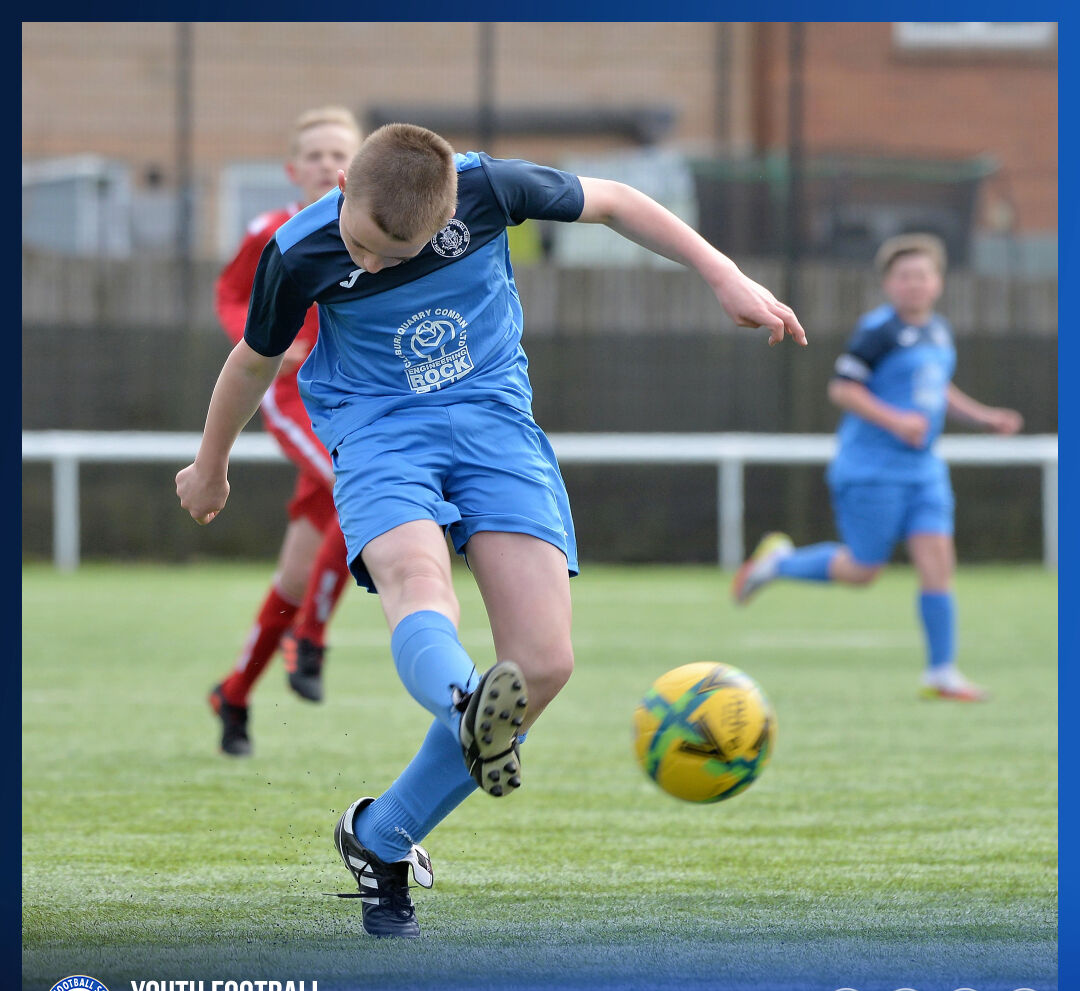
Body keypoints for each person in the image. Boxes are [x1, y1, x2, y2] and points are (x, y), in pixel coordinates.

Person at [177, 123, 806, 935]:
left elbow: (614, 201)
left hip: (495, 427)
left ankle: (381, 837)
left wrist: (724, 275)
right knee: (415, 577)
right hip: (377, 432)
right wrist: (210, 465)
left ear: (447, 219)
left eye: (390, 255)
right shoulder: (299, 252)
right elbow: (251, 363)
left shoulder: (489, 188)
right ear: (340, 197)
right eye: (360, 244)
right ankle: (464, 699)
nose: (367, 264)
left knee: (543, 663)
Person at [732, 232, 1023, 702]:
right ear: (889, 284)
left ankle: (941, 672)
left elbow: (937, 388)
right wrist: (896, 420)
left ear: (938, 283)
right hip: (871, 469)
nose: (914, 284)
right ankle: (778, 564)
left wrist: (983, 417)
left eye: (922, 275)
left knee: (938, 566)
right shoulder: (878, 331)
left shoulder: (939, 331)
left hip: (923, 470)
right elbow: (843, 389)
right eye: (904, 276)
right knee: (863, 570)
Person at [208, 106, 362, 756]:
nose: (329, 165)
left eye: (340, 155)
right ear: (293, 169)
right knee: (357, 481)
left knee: (293, 581)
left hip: (352, 402)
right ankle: (312, 639)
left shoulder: (376, 233)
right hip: (294, 398)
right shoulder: (274, 230)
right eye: (317, 155)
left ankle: (236, 692)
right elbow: (233, 295)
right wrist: (264, 342)